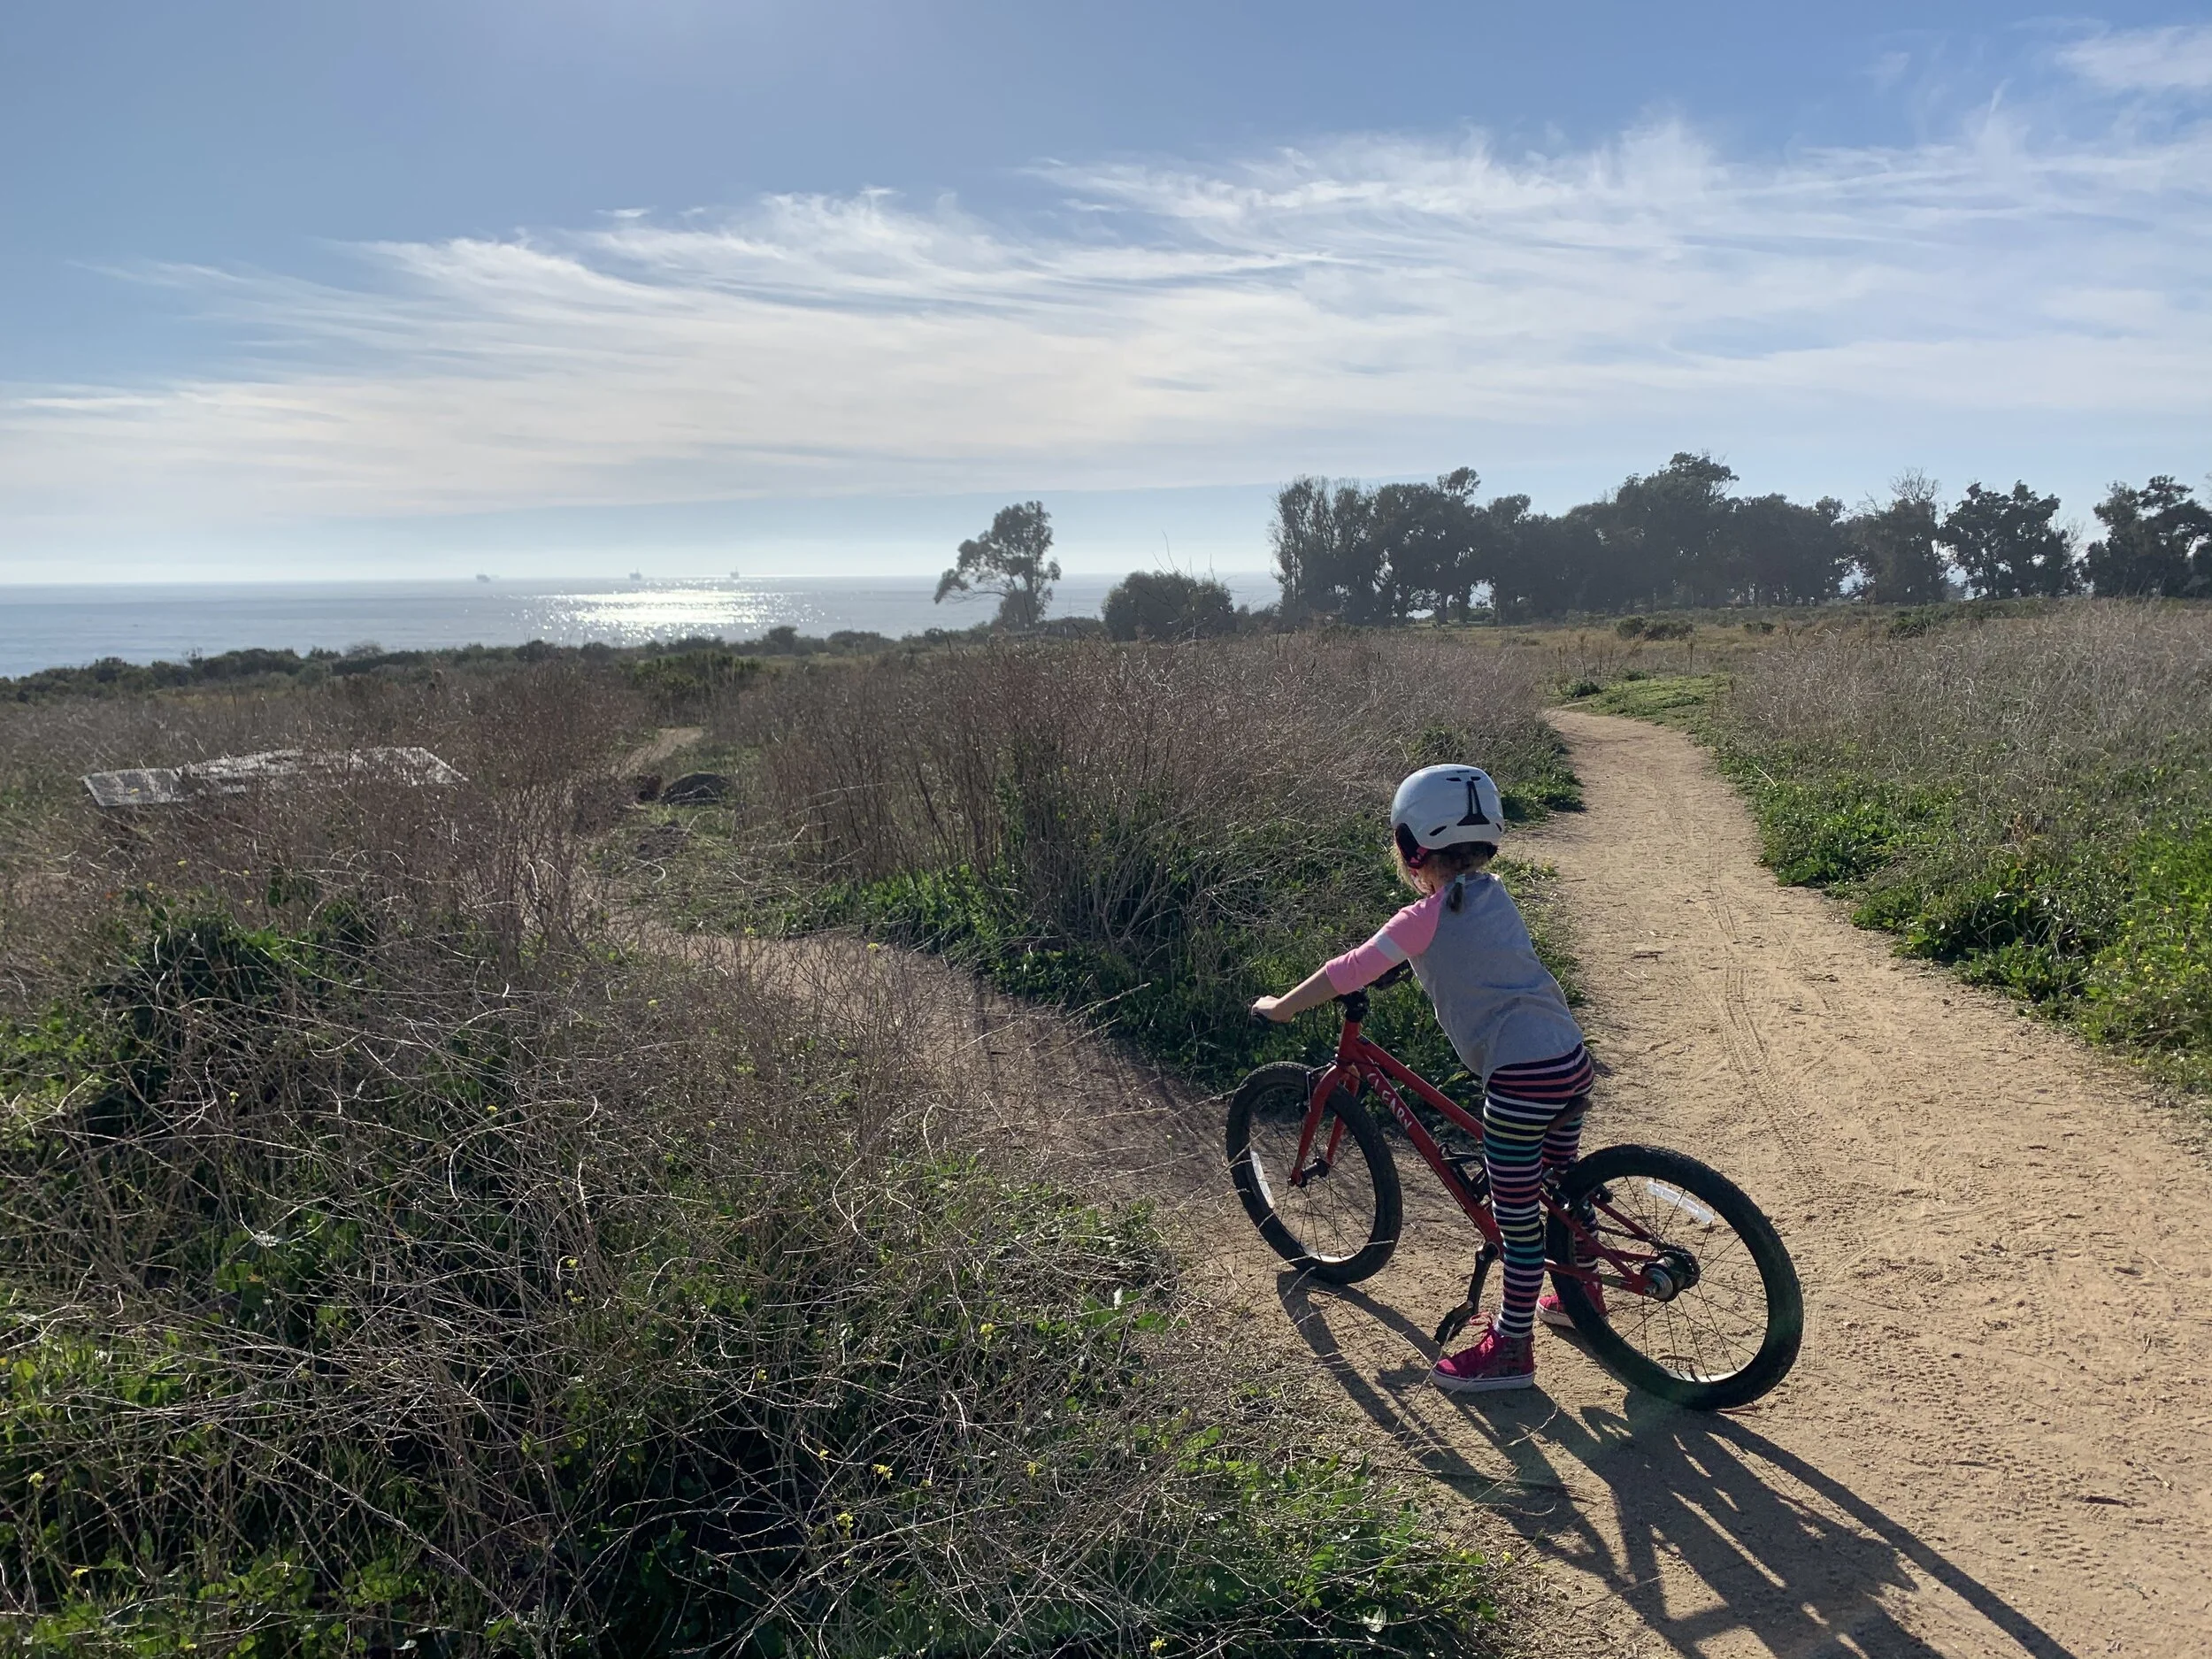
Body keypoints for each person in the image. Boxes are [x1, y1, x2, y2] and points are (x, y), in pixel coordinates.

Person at [1251, 764, 1593, 1393]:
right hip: (1568, 1058)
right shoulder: (1493, 891)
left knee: (1515, 1221)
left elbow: (1345, 970)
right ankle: (1581, 1294)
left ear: (1413, 849)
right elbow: (1473, 954)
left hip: (1520, 1079)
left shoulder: (1421, 917)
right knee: (1562, 1185)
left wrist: (1281, 1007)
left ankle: (1511, 1349)